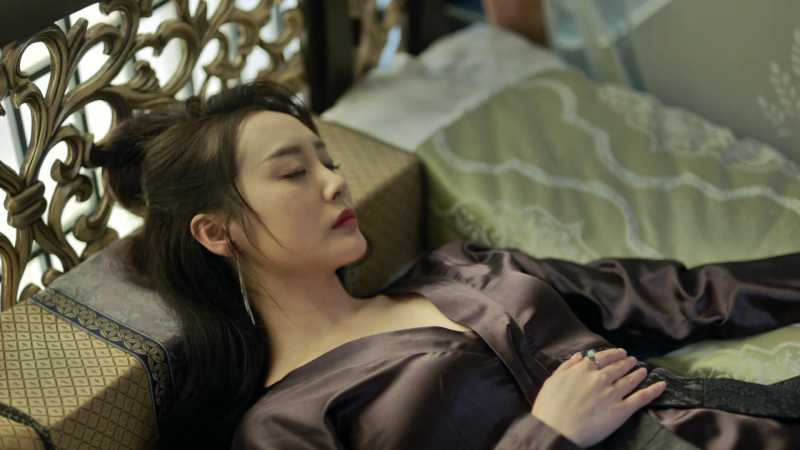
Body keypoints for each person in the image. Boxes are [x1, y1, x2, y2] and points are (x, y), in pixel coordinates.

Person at [92, 80, 800, 450]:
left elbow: (679, 295)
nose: (335, 183)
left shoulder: (464, 271)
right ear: (218, 233)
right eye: (294, 172)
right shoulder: (284, 426)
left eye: (329, 161)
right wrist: (549, 436)